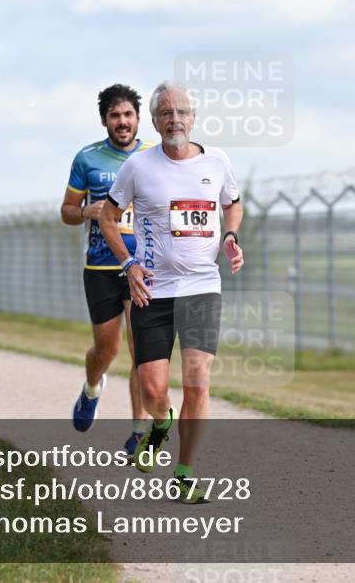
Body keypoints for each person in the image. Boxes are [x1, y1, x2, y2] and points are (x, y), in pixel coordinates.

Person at [99, 81, 244, 503]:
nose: (174, 120)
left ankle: (185, 473)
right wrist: (128, 265)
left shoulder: (217, 161)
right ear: (155, 121)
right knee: (152, 390)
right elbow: (108, 217)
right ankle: (161, 423)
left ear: (193, 118)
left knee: (198, 381)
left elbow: (232, 202)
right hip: (153, 290)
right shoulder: (139, 166)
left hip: (202, 287)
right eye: (165, 113)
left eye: (181, 112)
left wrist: (230, 235)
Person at [62, 84, 151, 456]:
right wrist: (86, 211)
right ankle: (92, 388)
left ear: (138, 118)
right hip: (100, 267)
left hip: (142, 269)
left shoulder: (154, 157)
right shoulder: (87, 158)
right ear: (104, 121)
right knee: (106, 350)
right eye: (115, 115)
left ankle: (138, 432)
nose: (122, 121)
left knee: (141, 349)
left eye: (128, 114)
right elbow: (67, 211)